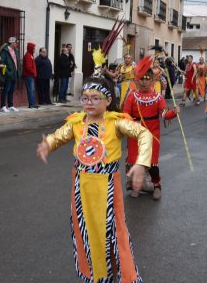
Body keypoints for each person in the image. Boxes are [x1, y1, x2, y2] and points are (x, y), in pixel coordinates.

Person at [36, 76, 152, 282]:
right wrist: (48, 144)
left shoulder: (116, 122)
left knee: (113, 233)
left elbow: (144, 134)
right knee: (86, 231)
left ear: (108, 100)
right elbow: (58, 136)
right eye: (85, 98)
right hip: (81, 186)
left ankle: (124, 276)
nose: (89, 102)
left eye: (95, 98)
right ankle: (97, 275)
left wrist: (141, 163)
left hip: (107, 185)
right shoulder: (76, 122)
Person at [123, 57, 179, 199]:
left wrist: (173, 112)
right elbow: (125, 115)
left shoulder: (158, 97)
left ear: (152, 80)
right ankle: (137, 185)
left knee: (152, 163)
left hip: (152, 134)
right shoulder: (132, 97)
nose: (144, 82)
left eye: (147, 79)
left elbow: (164, 114)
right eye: (141, 79)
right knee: (135, 160)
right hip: (135, 135)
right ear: (136, 80)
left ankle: (157, 186)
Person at [0, 37, 20, 112]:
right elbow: (2, 63)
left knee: (12, 90)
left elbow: (17, 62)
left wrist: (18, 72)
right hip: (8, 74)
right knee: (6, 90)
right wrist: (8, 72)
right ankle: (3, 106)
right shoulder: (5, 51)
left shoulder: (16, 51)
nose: (16, 44)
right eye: (15, 42)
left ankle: (10, 105)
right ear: (11, 43)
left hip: (14, 74)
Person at [22, 42, 39, 109]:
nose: (34, 50)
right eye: (34, 48)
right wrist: (34, 73)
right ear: (31, 48)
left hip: (30, 76)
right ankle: (31, 104)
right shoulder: (28, 56)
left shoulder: (30, 55)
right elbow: (28, 67)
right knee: (30, 90)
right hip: (28, 76)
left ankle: (33, 103)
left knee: (32, 90)